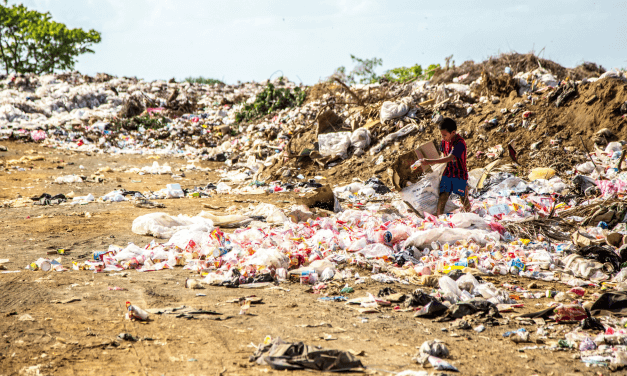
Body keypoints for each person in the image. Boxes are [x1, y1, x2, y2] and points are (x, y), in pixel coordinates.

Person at [417, 117, 471, 216]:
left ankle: (470, 216)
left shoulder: (460, 143)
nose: (443, 137)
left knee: (463, 197)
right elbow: (443, 156)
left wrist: (429, 161)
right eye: (441, 135)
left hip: (459, 174)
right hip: (448, 173)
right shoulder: (444, 142)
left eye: (445, 135)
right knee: (443, 196)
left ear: (453, 132)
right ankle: (439, 219)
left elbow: (449, 158)